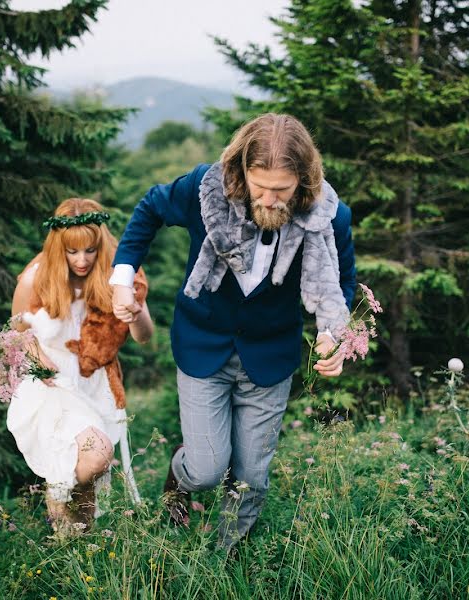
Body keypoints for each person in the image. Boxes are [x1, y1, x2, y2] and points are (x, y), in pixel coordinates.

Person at [109, 113, 356, 549]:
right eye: (260, 186)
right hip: (203, 346)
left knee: (251, 475)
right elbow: (149, 207)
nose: (270, 199)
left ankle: (226, 557)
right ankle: (179, 479)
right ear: (243, 170)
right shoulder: (205, 189)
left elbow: (342, 283)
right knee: (207, 468)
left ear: (304, 179)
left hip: (270, 356)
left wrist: (332, 334)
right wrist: (122, 278)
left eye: (282, 190)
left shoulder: (330, 219)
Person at [7, 198, 152, 535]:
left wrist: (135, 310)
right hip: (51, 386)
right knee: (97, 454)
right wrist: (39, 364)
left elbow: (144, 336)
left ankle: (72, 545)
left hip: (94, 383)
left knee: (89, 468)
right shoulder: (35, 278)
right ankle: (58, 497)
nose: (82, 260)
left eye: (90, 250)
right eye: (73, 252)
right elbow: (15, 336)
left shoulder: (117, 276)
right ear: (60, 247)